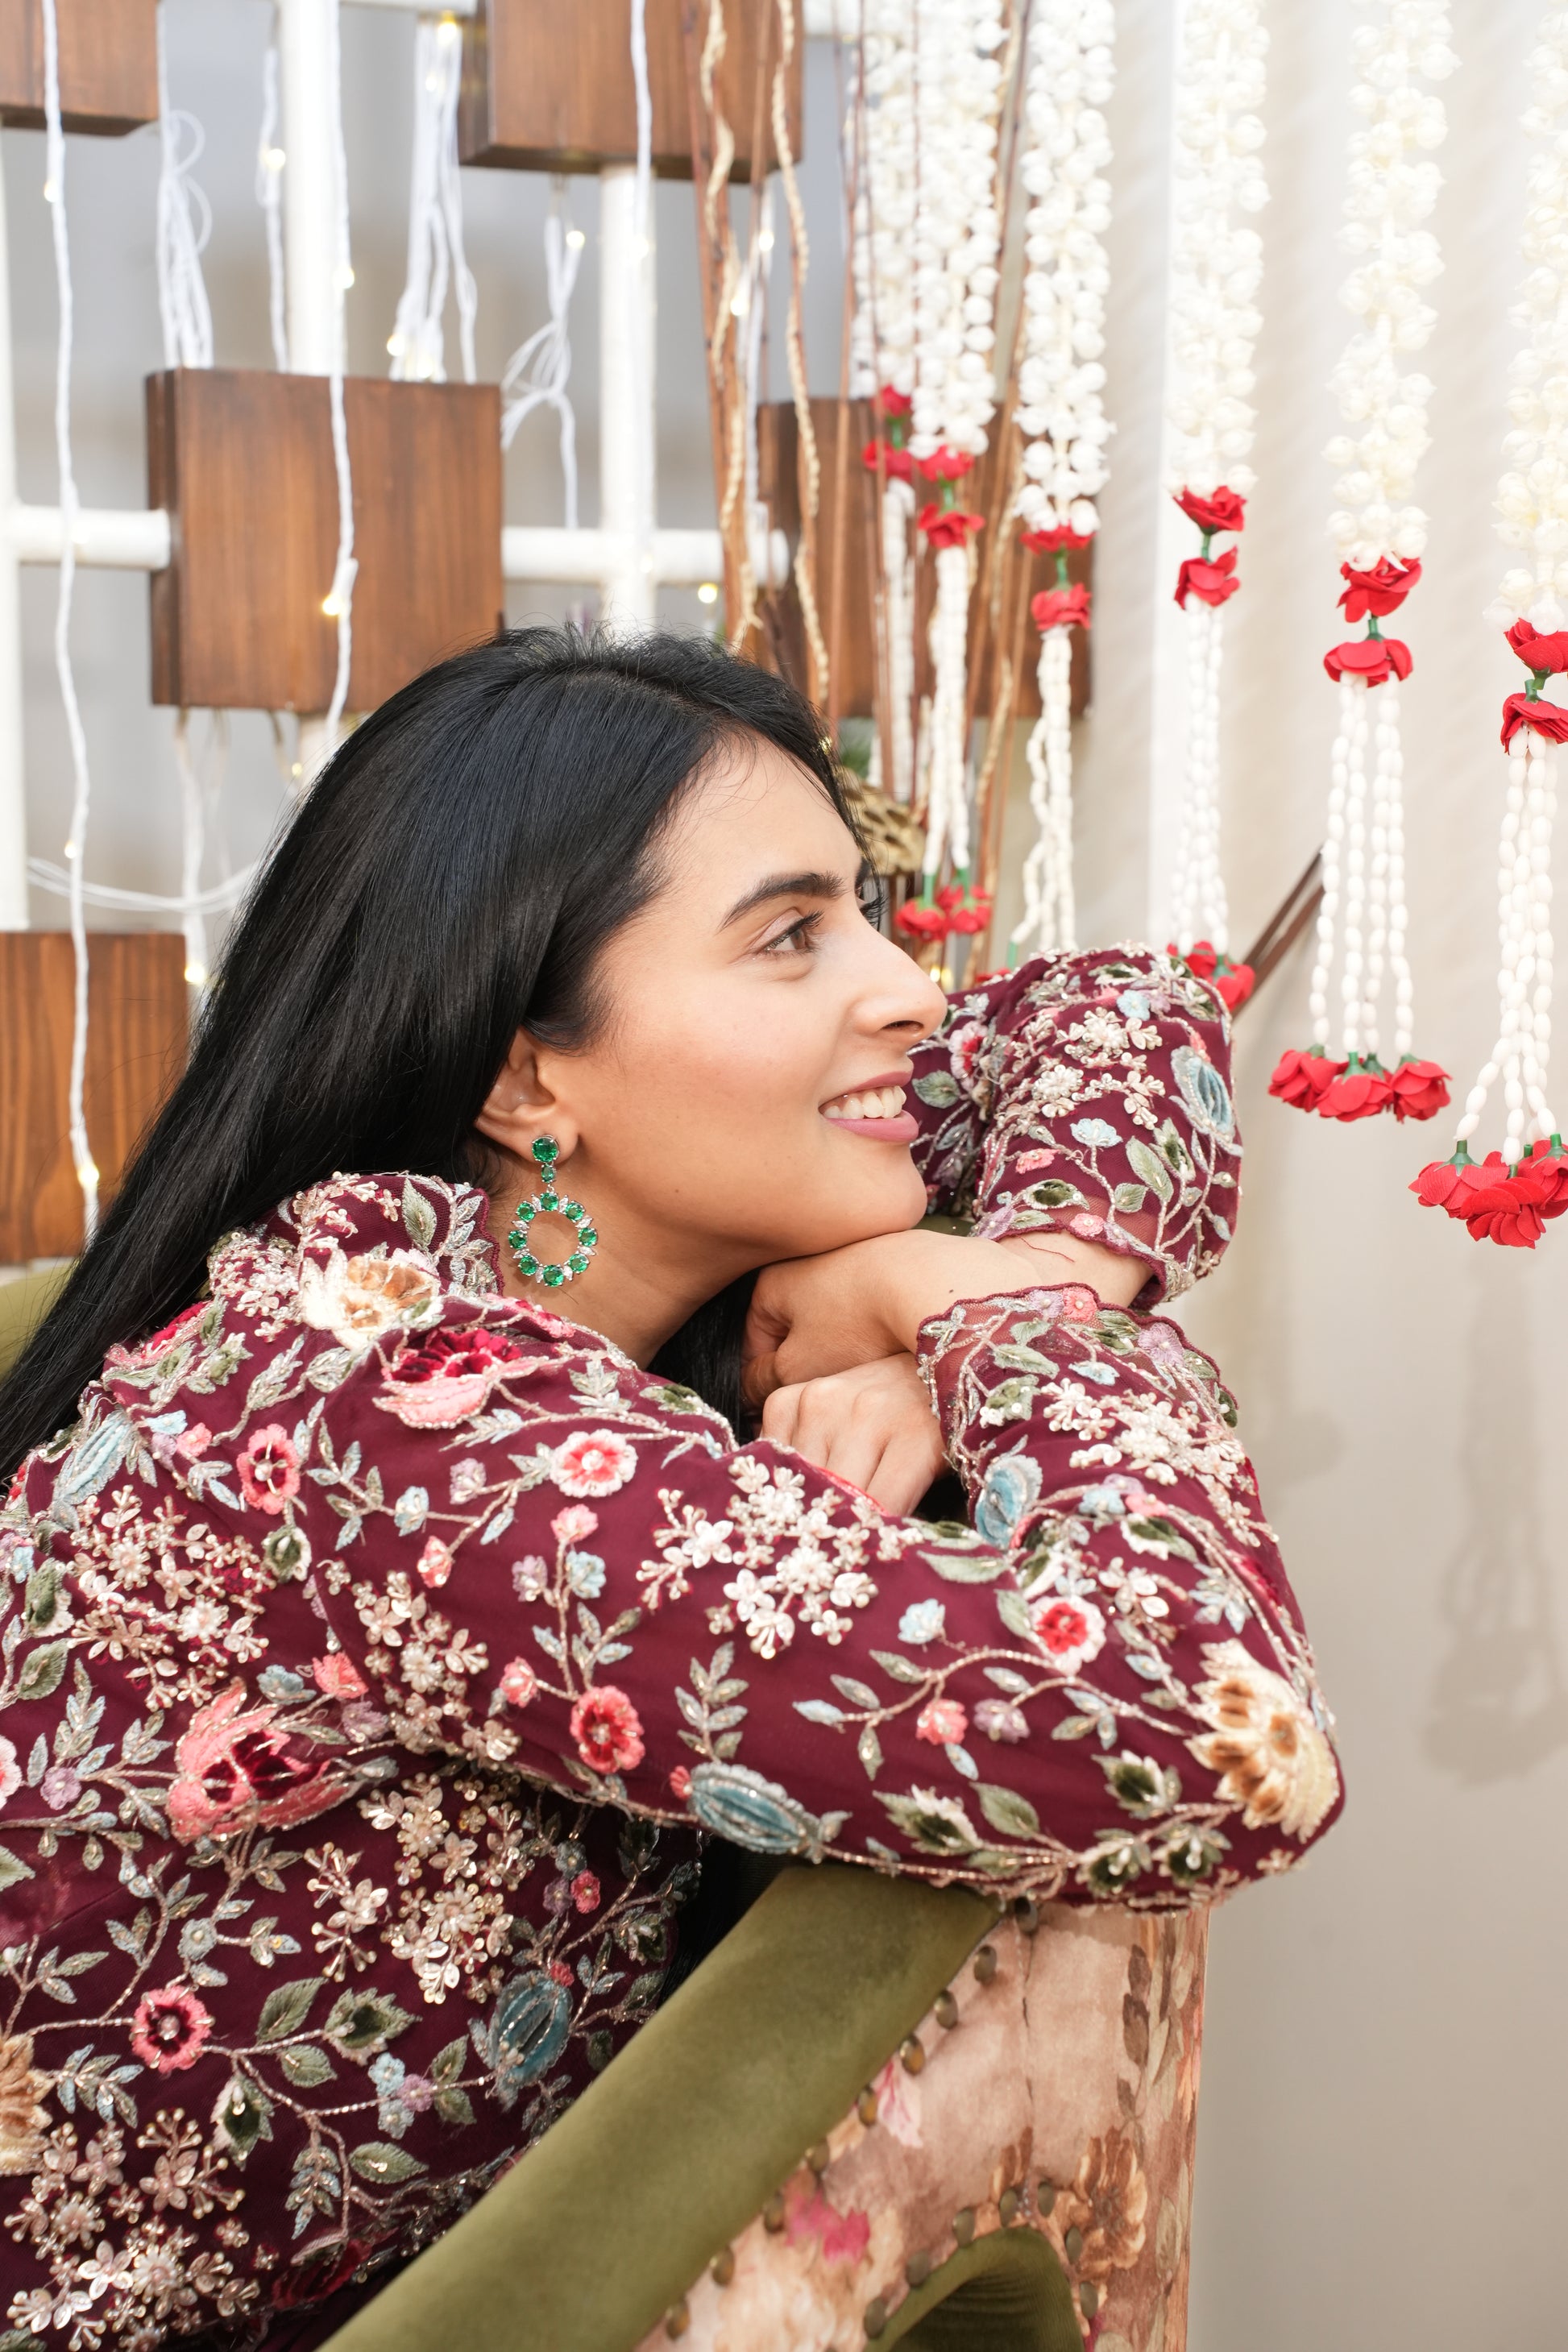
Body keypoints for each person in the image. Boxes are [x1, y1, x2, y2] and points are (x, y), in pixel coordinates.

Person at [0, 629, 1340, 2350]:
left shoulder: (497, 1306)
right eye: (789, 935)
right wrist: (979, 1313)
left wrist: (1005, 1279)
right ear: (524, 1076)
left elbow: (1120, 1014)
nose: (910, 988)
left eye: (866, 910)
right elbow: (1210, 1725)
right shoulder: (414, 1424)